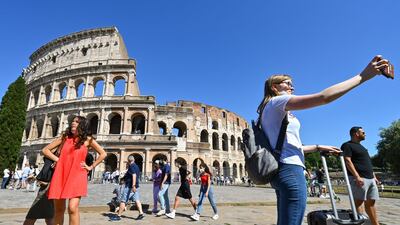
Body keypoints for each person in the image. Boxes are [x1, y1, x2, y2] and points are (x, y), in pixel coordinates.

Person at [258, 55, 391, 225]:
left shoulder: (267, 110)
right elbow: (324, 97)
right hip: (290, 169)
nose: (292, 86)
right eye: (288, 83)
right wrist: (362, 76)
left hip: (281, 170)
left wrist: (318, 146)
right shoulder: (278, 102)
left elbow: (288, 146)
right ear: (274, 87)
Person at [43, 116, 107, 225]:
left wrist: (91, 167)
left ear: (82, 125)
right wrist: (58, 160)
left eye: (77, 122)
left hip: (78, 174)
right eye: (73, 121)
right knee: (59, 209)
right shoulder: (65, 137)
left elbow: (103, 154)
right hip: (61, 173)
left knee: (72, 208)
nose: (73, 123)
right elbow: (46, 150)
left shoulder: (88, 139)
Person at [341, 126, 381, 225]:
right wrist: (357, 176)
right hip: (359, 178)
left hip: (370, 178)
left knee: (371, 203)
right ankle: (360, 223)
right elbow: (347, 161)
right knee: (358, 202)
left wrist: (374, 176)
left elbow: (367, 163)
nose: (365, 134)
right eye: (363, 132)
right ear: (356, 134)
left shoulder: (362, 147)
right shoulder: (347, 145)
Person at [110, 155, 145, 221]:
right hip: (136, 186)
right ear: (133, 160)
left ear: (128, 161)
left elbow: (134, 175)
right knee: (137, 200)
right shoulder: (137, 166)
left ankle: (118, 215)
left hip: (130, 187)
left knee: (123, 200)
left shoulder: (131, 166)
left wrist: (133, 185)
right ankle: (141, 213)